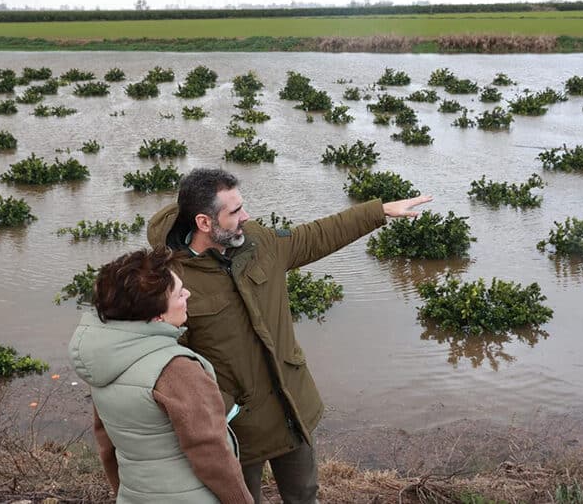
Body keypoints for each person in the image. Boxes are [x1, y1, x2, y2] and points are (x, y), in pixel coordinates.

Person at [147, 168, 431, 503]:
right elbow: (165, 358)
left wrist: (377, 211)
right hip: (235, 427)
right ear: (205, 223)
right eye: (235, 212)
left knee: (305, 494)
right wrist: (225, 408)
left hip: (290, 408)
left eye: (242, 206)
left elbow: (314, 237)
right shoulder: (172, 279)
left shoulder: (259, 242)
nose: (246, 216)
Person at [68, 246, 253, 504]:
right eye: (179, 294)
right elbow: (211, 452)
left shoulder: (102, 361)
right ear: (157, 316)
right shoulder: (177, 369)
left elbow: (106, 446)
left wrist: (125, 493)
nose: (187, 293)